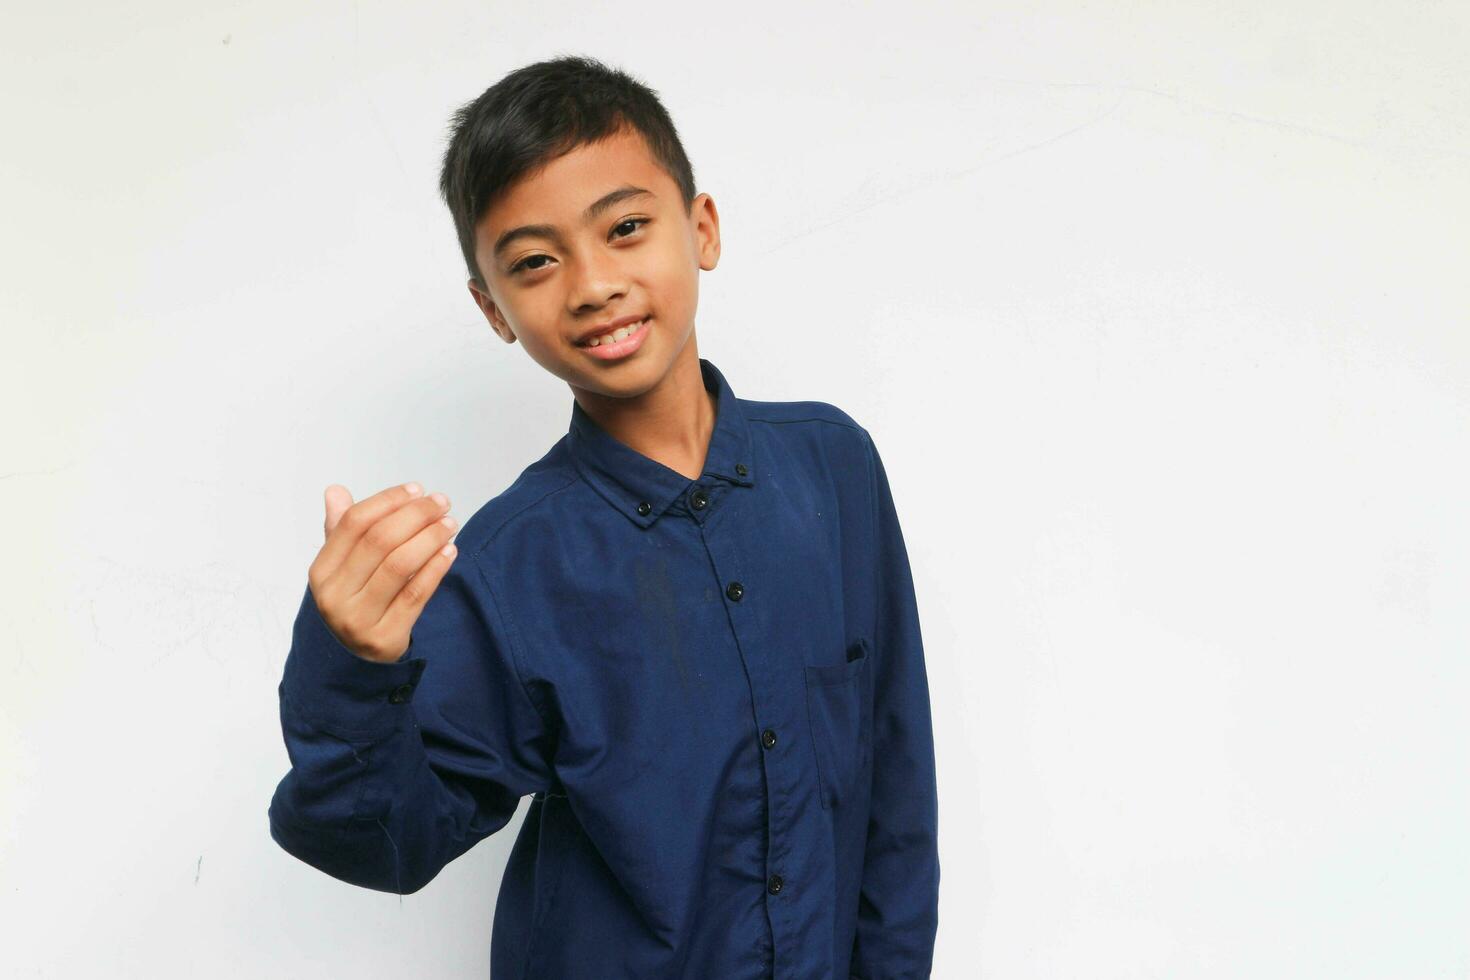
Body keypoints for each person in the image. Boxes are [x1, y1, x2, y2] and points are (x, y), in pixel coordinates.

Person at [267, 54, 940, 979]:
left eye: (625, 227)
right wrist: (348, 666)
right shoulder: (508, 567)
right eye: (535, 262)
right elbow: (387, 843)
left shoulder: (833, 469)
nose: (591, 284)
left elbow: (895, 780)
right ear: (493, 309)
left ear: (700, 227)